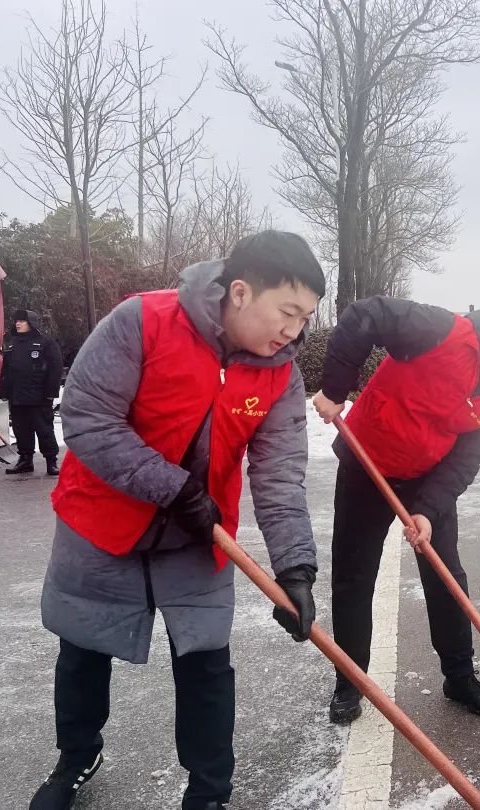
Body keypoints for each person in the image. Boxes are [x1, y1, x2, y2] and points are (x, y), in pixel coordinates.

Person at [30, 231, 324, 810]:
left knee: (207, 665)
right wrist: (175, 489)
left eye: (305, 318)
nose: (294, 332)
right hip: (102, 523)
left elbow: (279, 477)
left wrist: (296, 568)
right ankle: (76, 757)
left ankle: (210, 791)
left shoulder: (281, 376)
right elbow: (88, 418)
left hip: (199, 535)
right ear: (240, 292)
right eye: (287, 312)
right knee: (82, 651)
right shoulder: (142, 321)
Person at [311, 298, 480, 724]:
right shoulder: (444, 333)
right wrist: (335, 388)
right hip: (368, 462)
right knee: (355, 575)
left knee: (447, 576)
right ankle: (350, 681)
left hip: (427, 476)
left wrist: (428, 510)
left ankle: (459, 676)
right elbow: (365, 315)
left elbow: (465, 461)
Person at [0, 309, 63, 475]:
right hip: (17, 396)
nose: (17, 323)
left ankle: (51, 461)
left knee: (44, 429)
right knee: (21, 430)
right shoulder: (12, 343)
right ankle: (25, 460)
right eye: (16, 321)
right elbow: (6, 370)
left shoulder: (45, 342)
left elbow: (55, 367)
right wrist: (4, 391)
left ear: (31, 323)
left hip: (39, 396)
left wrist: (51, 392)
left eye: (21, 321)